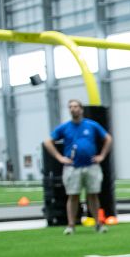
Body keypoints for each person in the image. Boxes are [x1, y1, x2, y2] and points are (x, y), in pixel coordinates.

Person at [44, 99, 111, 234]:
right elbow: (48, 141)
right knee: (73, 195)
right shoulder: (65, 127)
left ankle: (98, 223)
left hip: (91, 165)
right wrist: (59, 158)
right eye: (70, 107)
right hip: (73, 167)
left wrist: (102, 156)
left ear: (81, 109)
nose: (73, 109)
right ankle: (71, 225)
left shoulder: (91, 125)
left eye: (75, 106)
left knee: (93, 195)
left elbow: (108, 138)